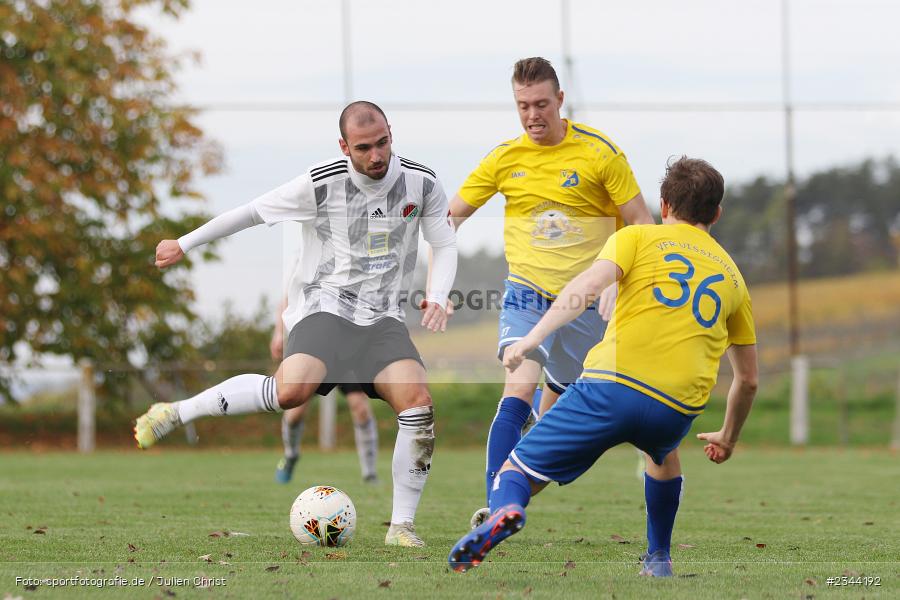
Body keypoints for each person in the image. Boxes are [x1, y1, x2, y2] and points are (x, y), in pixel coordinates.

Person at [134, 101, 458, 548]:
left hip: (382, 319)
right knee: (291, 393)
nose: (377, 155)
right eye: (364, 147)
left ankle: (401, 527)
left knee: (418, 405)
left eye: (383, 142)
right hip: (325, 308)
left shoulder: (421, 182)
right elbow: (250, 212)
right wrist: (185, 243)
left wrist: (439, 295)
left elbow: (444, 241)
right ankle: (176, 412)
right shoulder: (321, 182)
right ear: (345, 147)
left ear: (390, 133)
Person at [448, 157, 758, 576]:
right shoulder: (734, 278)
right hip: (676, 408)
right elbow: (749, 380)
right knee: (663, 455)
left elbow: (585, 287)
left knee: (516, 471)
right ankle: (659, 558)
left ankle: (505, 511)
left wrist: (534, 337)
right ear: (717, 213)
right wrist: (728, 436)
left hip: (611, 389)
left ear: (664, 205)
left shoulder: (637, 238)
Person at [447, 57, 655, 526]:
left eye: (541, 104)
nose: (532, 115)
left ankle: (519, 485)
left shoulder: (601, 153)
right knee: (518, 380)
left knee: (555, 413)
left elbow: (642, 225)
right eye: (523, 106)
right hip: (526, 289)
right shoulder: (504, 158)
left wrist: (622, 281)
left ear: (561, 100)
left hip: (586, 303)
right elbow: (449, 219)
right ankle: (496, 506)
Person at [268, 297, 379, 484]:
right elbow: (287, 298)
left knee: (360, 408)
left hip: (348, 351)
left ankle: (369, 474)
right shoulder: (307, 270)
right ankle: (291, 456)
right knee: (294, 414)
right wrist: (279, 333)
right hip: (315, 347)